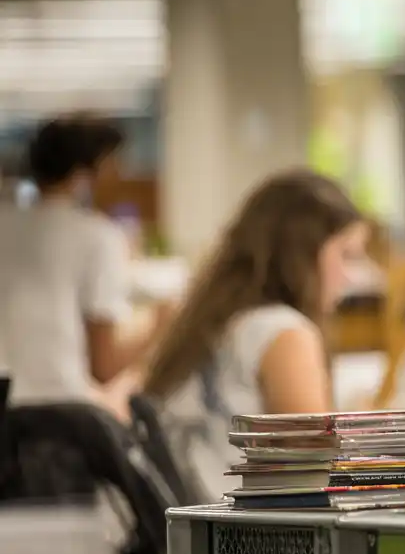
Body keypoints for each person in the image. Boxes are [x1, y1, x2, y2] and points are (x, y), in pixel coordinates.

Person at [141, 169, 368, 500]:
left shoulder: (214, 322)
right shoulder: (285, 333)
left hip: (195, 527)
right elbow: (317, 472)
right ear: (303, 251)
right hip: (252, 536)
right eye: (346, 255)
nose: (350, 277)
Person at [0, 116, 159, 410]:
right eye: (113, 165)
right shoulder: (96, 236)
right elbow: (104, 365)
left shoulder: (5, 225)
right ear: (89, 171)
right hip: (55, 413)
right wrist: (161, 323)